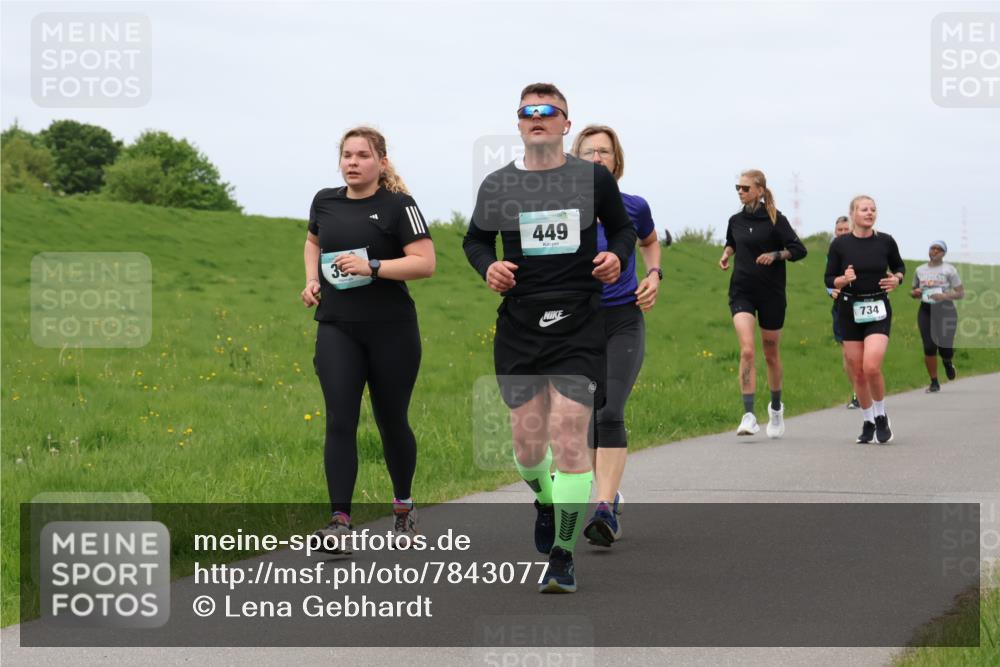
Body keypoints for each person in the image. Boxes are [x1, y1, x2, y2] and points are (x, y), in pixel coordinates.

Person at [463, 84, 636, 592]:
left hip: (579, 323)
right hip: (519, 325)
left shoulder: (592, 179)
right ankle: (545, 499)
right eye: (527, 112)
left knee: (568, 435)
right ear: (519, 124)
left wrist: (616, 257)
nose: (537, 117)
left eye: (548, 111)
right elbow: (474, 239)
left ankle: (562, 556)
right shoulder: (498, 184)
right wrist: (488, 266)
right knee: (526, 442)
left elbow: (622, 231)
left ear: (565, 123)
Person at [302, 126, 435, 550]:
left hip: (391, 330)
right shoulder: (325, 201)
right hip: (337, 326)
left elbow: (425, 263)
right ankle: (340, 522)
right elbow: (312, 243)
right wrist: (311, 280)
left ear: (381, 162)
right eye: (346, 155)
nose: (353, 162)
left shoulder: (399, 206)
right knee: (340, 419)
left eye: (362, 155)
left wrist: (373, 267)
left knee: (390, 420)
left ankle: (403, 505)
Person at [569, 125, 660, 548]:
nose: (596, 158)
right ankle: (608, 491)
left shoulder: (633, 206)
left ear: (616, 160)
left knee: (610, 411)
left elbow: (650, 241)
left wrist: (654, 274)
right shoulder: (561, 209)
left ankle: (603, 507)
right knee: (589, 414)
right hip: (577, 323)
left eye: (604, 152)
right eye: (588, 152)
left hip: (624, 317)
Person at [718, 169, 807, 438]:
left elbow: (799, 249)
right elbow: (732, 242)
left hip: (771, 294)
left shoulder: (776, 220)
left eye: (745, 188)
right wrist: (726, 254)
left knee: (770, 353)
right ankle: (748, 415)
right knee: (747, 350)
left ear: (759, 190)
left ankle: (776, 409)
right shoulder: (735, 220)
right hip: (742, 291)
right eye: (738, 188)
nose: (740, 192)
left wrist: (776, 254)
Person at [824, 195, 905, 444]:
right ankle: (868, 419)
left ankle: (881, 415)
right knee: (858, 373)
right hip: (849, 309)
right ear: (853, 214)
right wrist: (843, 280)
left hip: (878, 307)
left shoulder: (886, 241)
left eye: (872, 209)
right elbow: (829, 279)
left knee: (871, 366)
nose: (869, 213)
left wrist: (897, 279)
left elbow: (900, 267)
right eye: (864, 209)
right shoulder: (840, 245)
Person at [910, 240, 963, 393]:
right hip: (926, 310)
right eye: (932, 248)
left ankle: (947, 362)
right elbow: (914, 291)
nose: (934, 251)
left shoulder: (950, 270)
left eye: (938, 249)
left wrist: (944, 296)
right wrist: (915, 293)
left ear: (943, 253)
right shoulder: (920, 270)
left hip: (946, 310)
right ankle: (934, 382)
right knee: (929, 346)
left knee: (945, 348)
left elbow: (960, 293)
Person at [829, 216, 860, 409]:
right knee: (848, 354)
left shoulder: (863, 246)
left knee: (865, 353)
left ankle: (867, 385)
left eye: (845, 230)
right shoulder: (833, 250)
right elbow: (828, 276)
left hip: (863, 303)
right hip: (841, 305)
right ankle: (858, 391)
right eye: (839, 230)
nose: (841, 233)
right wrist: (831, 290)